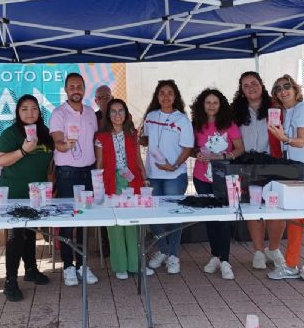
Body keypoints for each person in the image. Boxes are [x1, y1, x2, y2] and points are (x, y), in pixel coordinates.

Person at [0, 94, 52, 301]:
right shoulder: (11, 133)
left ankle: (31, 269)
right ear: (18, 113)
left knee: (30, 233)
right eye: (24, 109)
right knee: (15, 236)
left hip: (36, 193)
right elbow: (0, 161)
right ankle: (11, 280)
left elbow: (50, 161)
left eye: (34, 108)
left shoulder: (44, 133)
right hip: (14, 193)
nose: (30, 113)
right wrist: (23, 150)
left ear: (39, 111)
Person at [267, 74, 304, 282]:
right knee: (295, 220)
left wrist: (284, 138)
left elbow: (300, 142)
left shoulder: (303, 109)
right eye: (278, 88)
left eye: (287, 86)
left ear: (295, 89)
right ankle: (291, 265)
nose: (283, 91)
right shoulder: (285, 113)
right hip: (294, 172)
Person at [231, 71, 286, 270]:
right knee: (254, 208)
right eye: (246, 85)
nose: (251, 88)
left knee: (276, 208)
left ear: (261, 85)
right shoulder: (235, 110)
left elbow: (293, 127)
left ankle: (274, 248)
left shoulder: (276, 106)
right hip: (247, 164)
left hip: (274, 162)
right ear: (242, 90)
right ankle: (258, 251)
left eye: (254, 83)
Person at [49, 73, 99, 286]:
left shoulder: (90, 113)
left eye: (79, 86)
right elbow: (58, 142)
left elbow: (95, 141)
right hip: (67, 173)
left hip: (88, 172)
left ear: (84, 88)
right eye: (72, 86)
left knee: (85, 220)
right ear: (66, 89)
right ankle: (68, 266)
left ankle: (82, 264)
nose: (75, 90)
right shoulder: (59, 113)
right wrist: (66, 145)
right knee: (69, 221)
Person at [95, 98, 153, 279]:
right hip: (111, 182)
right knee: (115, 225)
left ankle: (136, 265)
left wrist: (144, 177)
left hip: (132, 181)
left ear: (126, 114)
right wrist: (98, 187)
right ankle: (120, 266)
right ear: (108, 114)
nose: (117, 114)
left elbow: (136, 158)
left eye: (121, 111)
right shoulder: (101, 137)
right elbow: (100, 163)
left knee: (133, 224)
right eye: (113, 111)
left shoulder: (132, 133)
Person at [141, 80, 194, 274]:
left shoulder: (181, 119)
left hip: (174, 174)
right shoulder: (151, 116)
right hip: (153, 175)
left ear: (175, 96)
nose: (165, 96)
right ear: (157, 96)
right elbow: (145, 139)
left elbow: (188, 147)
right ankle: (163, 250)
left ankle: (173, 256)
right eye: (162, 92)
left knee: (173, 215)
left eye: (169, 93)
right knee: (154, 214)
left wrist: (175, 166)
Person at [191, 88, 244, 280]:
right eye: (208, 102)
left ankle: (225, 260)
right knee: (210, 218)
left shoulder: (229, 125)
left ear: (220, 104)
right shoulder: (197, 124)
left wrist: (221, 156)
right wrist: (196, 153)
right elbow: (193, 148)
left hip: (224, 178)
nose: (211, 106)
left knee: (223, 218)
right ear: (202, 105)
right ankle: (215, 256)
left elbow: (239, 149)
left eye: (215, 102)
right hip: (201, 177)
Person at [94, 84, 113, 257]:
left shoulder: (121, 114)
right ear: (95, 100)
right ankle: (106, 244)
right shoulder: (93, 118)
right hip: (99, 167)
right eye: (100, 97)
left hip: (118, 169)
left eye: (106, 96)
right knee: (102, 205)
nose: (104, 100)